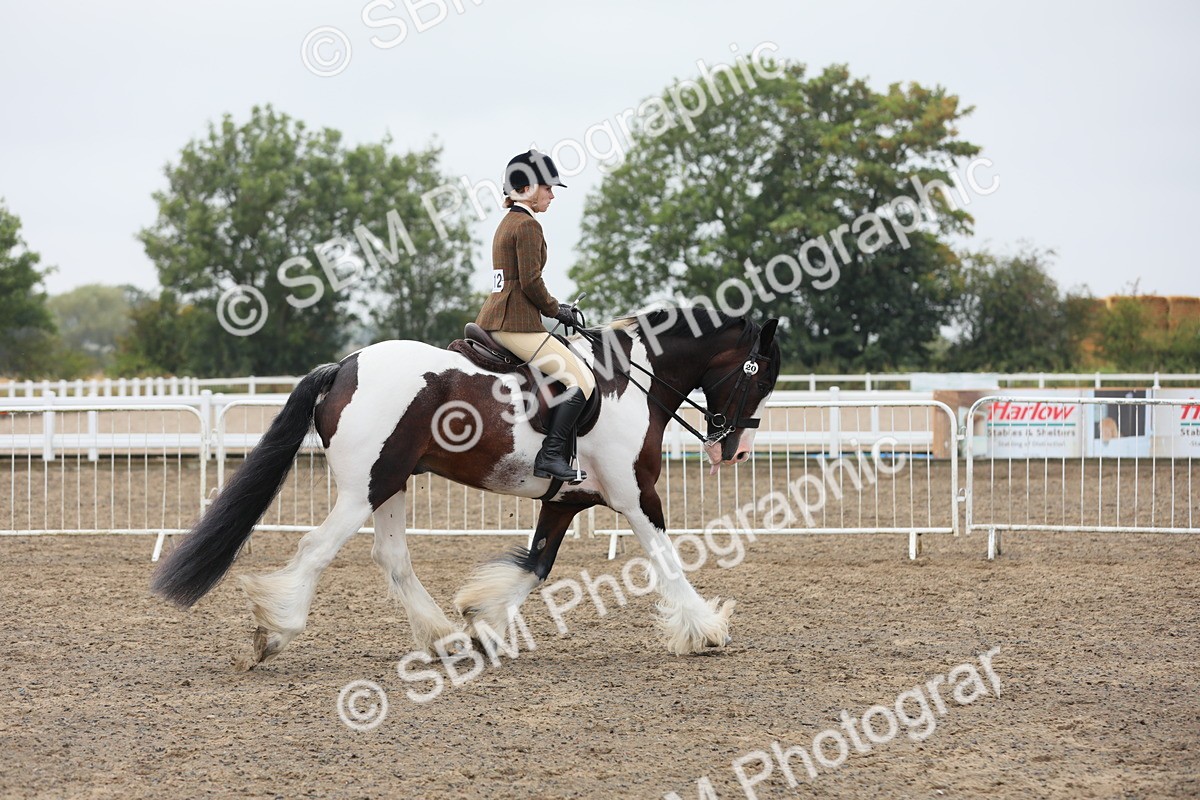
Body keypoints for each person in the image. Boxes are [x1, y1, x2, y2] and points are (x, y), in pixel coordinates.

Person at [475, 149, 596, 483]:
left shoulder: (508, 222)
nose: (552, 195)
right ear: (527, 187)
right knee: (581, 380)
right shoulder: (527, 226)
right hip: (516, 323)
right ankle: (551, 456)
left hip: (497, 317)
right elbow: (530, 282)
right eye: (547, 188)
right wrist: (557, 309)